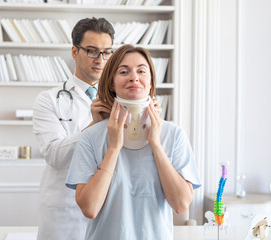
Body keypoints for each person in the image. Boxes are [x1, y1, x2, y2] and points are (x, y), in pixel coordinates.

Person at [66, 45, 201, 240]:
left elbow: (181, 204)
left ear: (151, 81)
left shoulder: (174, 135)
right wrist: (113, 147)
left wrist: (155, 143)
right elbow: (90, 208)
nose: (134, 77)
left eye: (141, 71)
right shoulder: (91, 136)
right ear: (111, 83)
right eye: (123, 71)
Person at [32, 17, 114, 240]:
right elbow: (54, 155)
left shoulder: (119, 101)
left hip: (109, 209)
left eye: (107, 52)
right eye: (91, 51)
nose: (100, 60)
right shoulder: (48, 100)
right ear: (75, 52)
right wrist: (93, 127)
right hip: (65, 214)